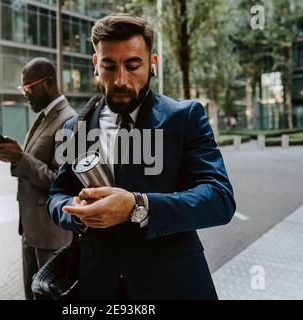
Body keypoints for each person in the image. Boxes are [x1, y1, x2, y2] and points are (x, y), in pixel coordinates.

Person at [47, 13, 236, 299]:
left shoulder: (186, 118)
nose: (121, 79)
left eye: (133, 66)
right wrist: (74, 213)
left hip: (171, 286)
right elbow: (56, 195)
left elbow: (219, 199)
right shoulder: (77, 128)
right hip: (98, 286)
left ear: (153, 65)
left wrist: (139, 206)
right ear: (96, 66)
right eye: (109, 66)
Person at [0, 57, 76, 300]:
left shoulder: (68, 120)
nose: (25, 93)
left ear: (47, 82)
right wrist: (15, 156)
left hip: (51, 235)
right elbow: (33, 162)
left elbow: (62, 180)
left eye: (29, 87)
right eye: (22, 88)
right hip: (31, 229)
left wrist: (21, 158)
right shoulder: (44, 117)